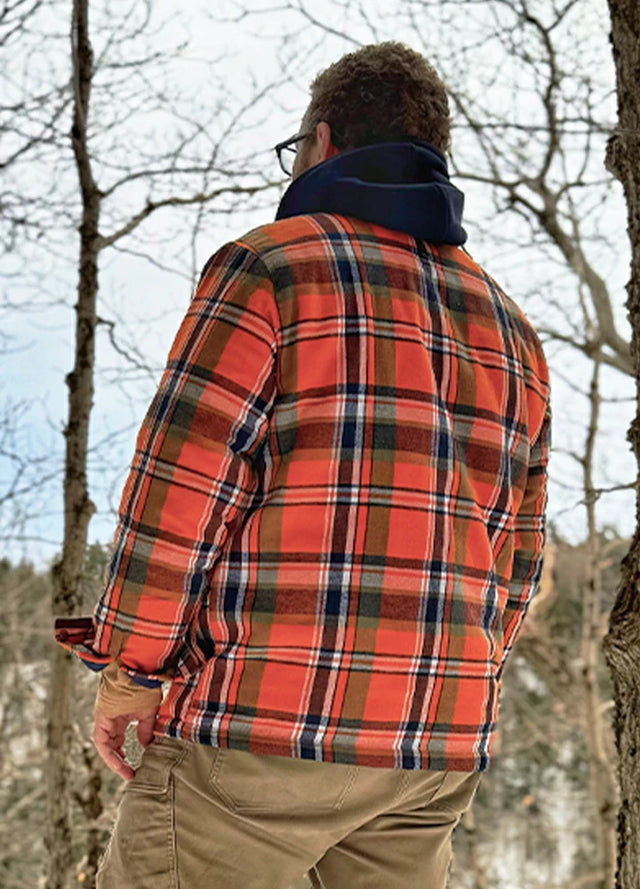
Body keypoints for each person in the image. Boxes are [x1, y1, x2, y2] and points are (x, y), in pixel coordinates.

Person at [55, 41, 550, 889]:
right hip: (427, 749)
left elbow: (179, 493)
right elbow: (516, 560)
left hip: (260, 734)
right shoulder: (509, 329)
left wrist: (132, 670)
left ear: (322, 143)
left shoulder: (273, 267)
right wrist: (447, 683)